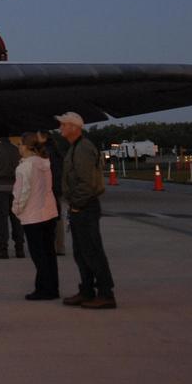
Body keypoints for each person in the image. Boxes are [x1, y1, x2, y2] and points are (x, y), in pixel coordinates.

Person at [57, 111, 116, 309]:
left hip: (85, 207)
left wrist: (76, 204)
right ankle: (87, 290)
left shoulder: (82, 149)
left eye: (64, 125)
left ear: (74, 127)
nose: (60, 128)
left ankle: (106, 293)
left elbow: (87, 182)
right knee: (81, 252)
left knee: (92, 251)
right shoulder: (76, 147)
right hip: (80, 206)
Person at [12, 132, 59, 300]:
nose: (18, 147)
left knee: (39, 255)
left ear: (27, 147)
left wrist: (16, 209)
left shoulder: (24, 167)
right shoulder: (44, 162)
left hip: (33, 215)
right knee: (49, 253)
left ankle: (44, 289)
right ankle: (52, 287)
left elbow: (22, 192)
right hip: (49, 212)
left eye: (20, 144)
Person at [37, 129, 68, 255]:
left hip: (48, 190)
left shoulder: (44, 152)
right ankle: (59, 247)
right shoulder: (57, 152)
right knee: (58, 218)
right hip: (57, 189)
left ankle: (49, 246)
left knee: (46, 219)